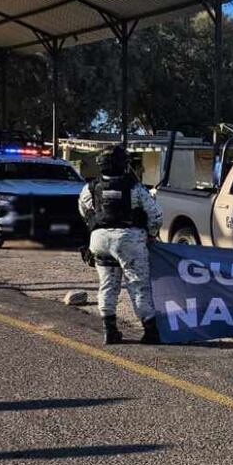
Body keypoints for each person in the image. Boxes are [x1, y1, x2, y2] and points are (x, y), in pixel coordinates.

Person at [78, 146, 163, 345]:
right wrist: (150, 235)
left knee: (108, 285)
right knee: (137, 285)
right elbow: (156, 215)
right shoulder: (135, 188)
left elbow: (85, 212)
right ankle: (150, 332)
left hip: (100, 241)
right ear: (123, 164)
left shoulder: (89, 188)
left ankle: (110, 331)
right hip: (129, 240)